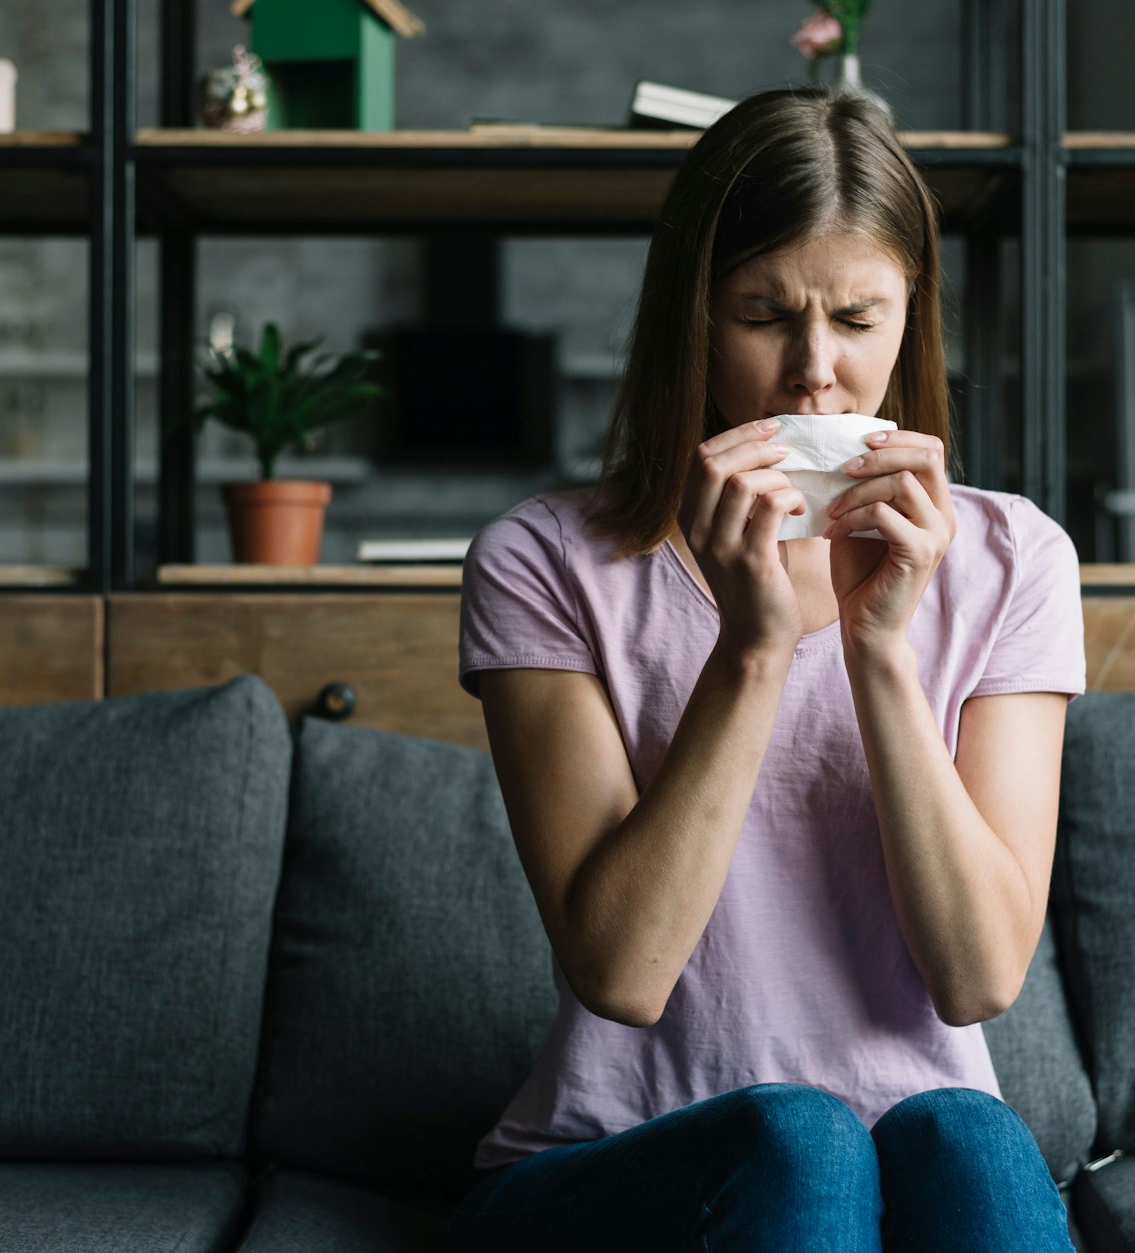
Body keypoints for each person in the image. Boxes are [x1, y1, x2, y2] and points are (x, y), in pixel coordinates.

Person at [448, 84, 1085, 1252]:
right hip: (611, 1161)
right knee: (800, 1139)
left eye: (855, 317)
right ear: (691, 318)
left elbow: (979, 976)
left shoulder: (1012, 558)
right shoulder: (544, 560)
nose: (813, 373)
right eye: (761, 314)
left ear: (911, 317)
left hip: (903, 1156)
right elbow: (623, 972)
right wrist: (753, 649)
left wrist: (879, 650)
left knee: (974, 1137)